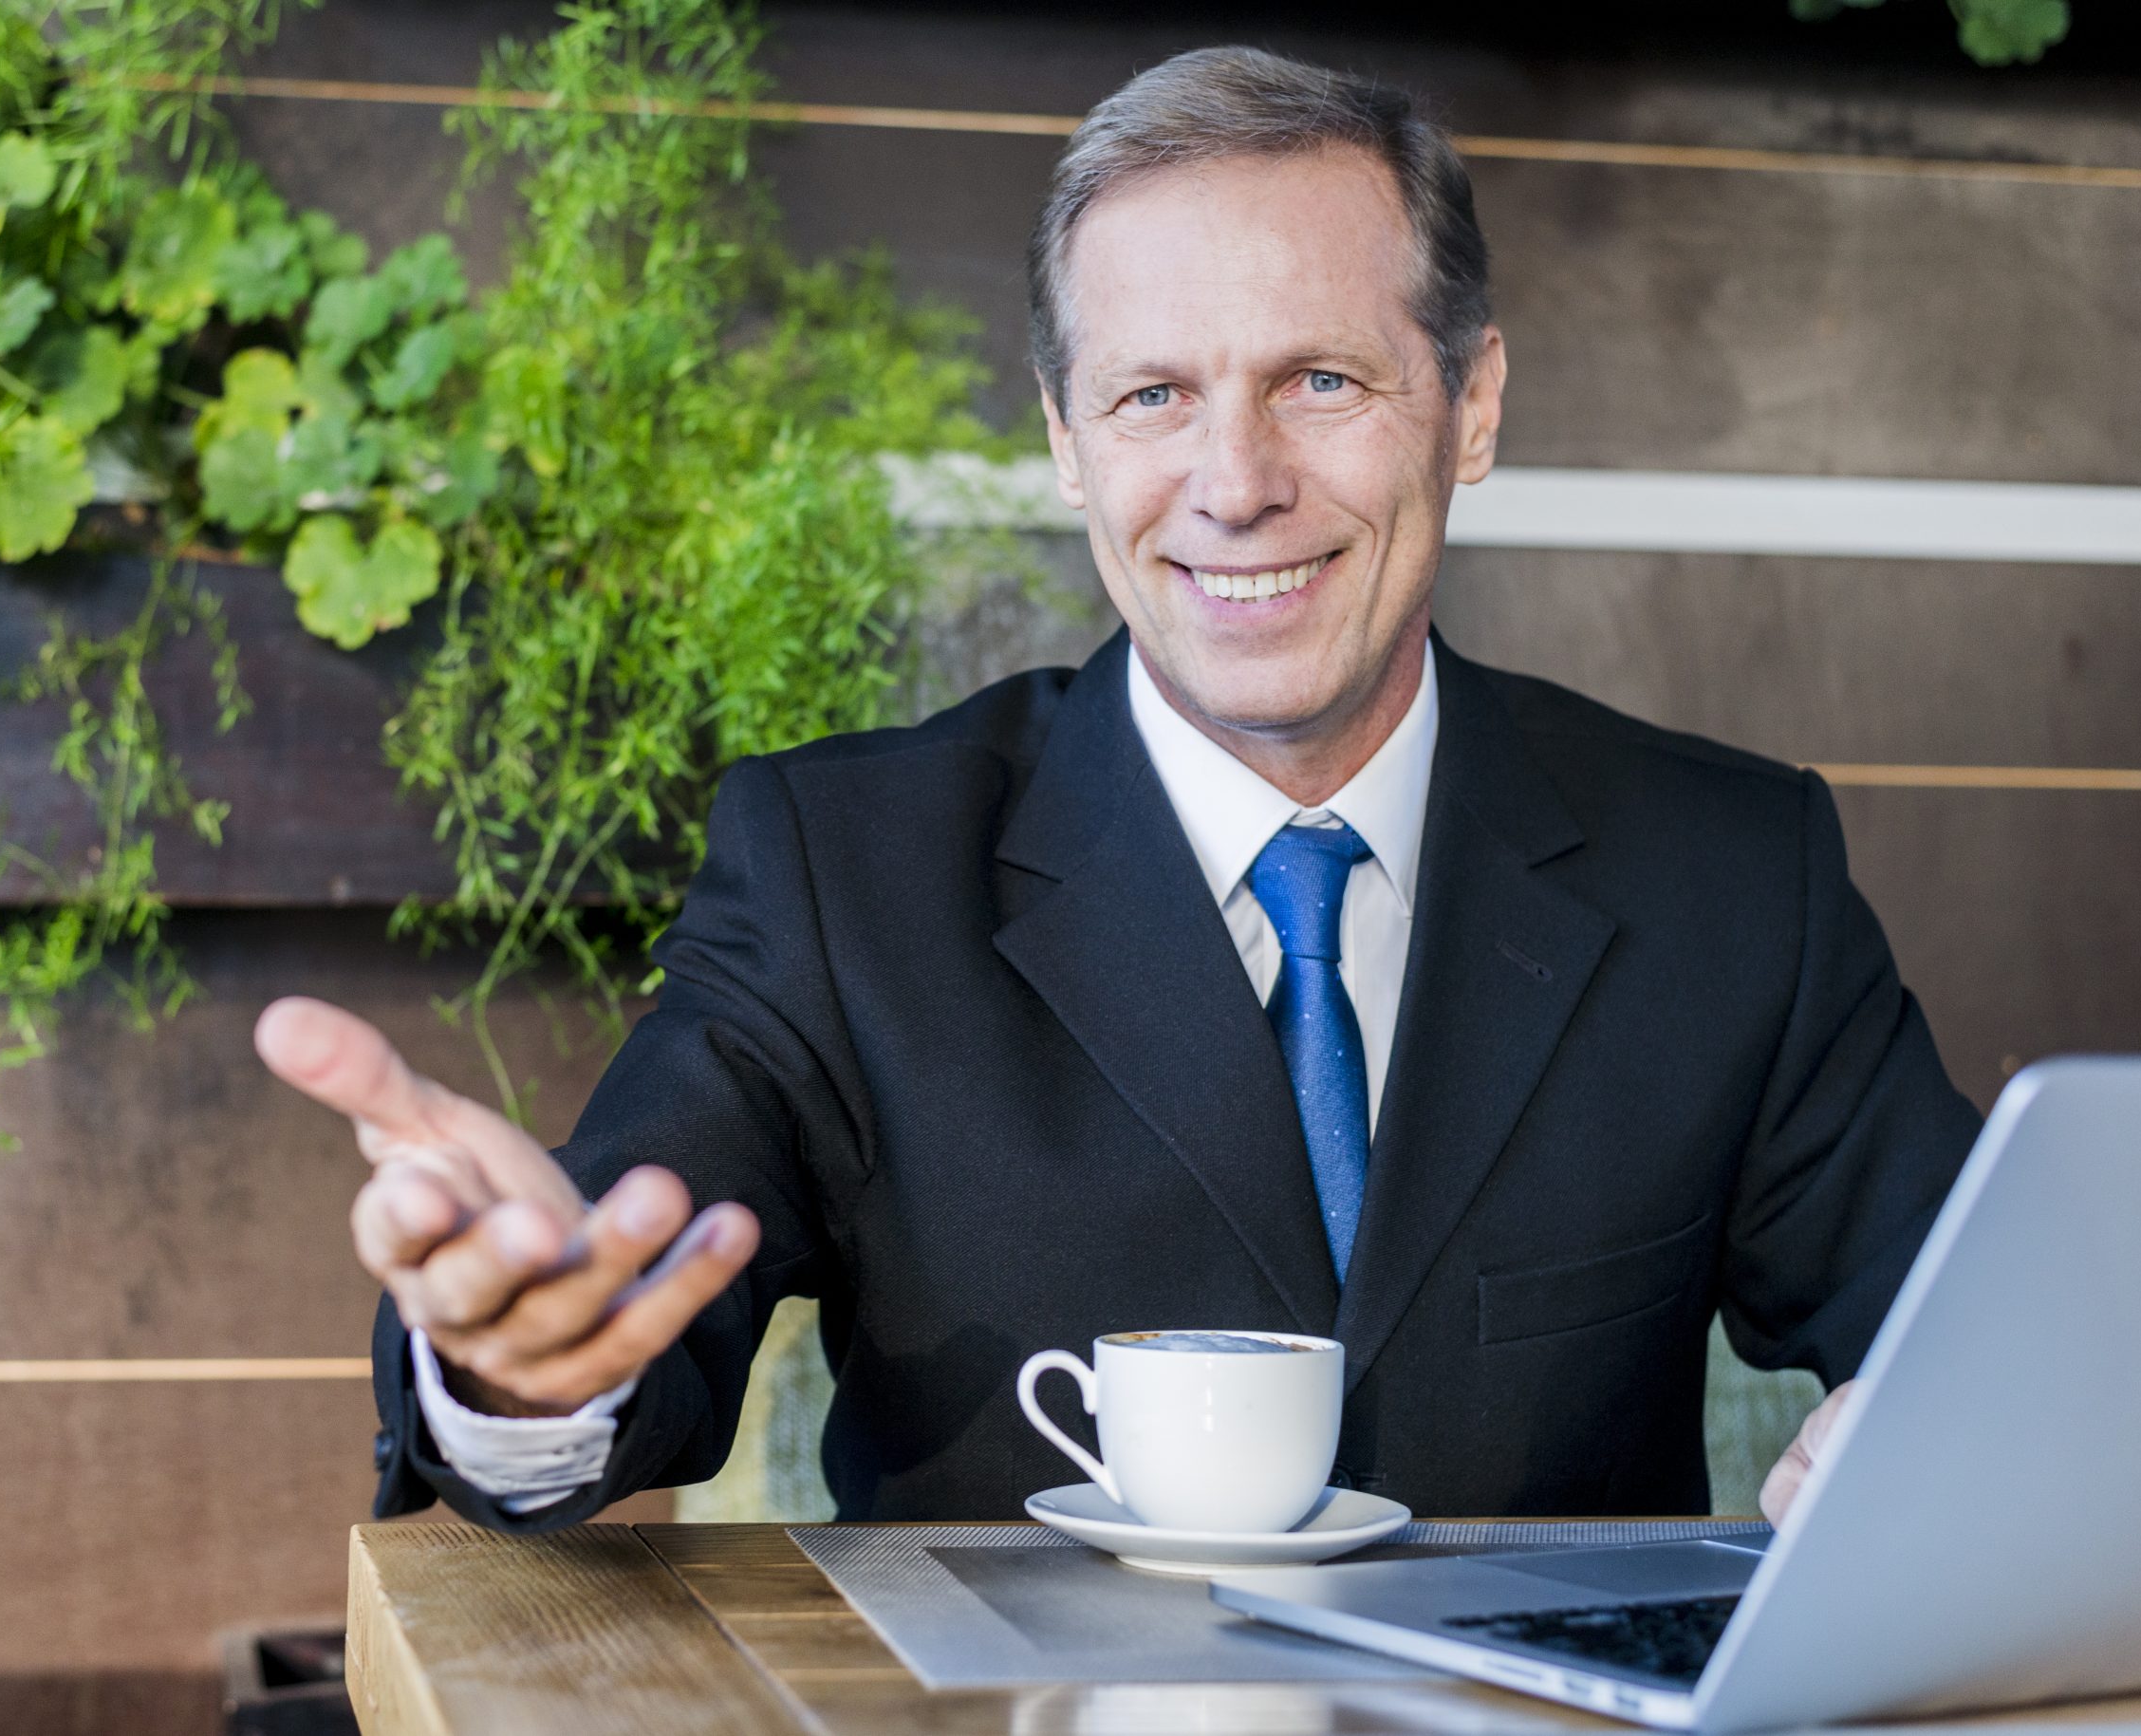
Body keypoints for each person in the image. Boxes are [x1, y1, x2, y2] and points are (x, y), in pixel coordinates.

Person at [255, 47, 1980, 1532]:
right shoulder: (841, 870)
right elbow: (618, 1304)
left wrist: (1938, 1451)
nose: (1236, 484)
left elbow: (1973, 1338)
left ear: (1468, 403)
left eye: (1320, 379)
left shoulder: (1737, 871)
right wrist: (514, 1359)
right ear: (1069, 444)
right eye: (1155, 395)